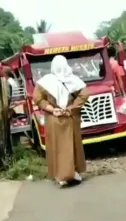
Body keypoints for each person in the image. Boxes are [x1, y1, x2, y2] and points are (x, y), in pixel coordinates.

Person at [33, 55, 89, 187]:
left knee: (57, 147)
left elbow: (37, 98)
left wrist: (53, 110)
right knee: (72, 145)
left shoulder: (45, 82)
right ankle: (74, 172)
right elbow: (84, 94)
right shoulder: (74, 80)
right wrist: (71, 108)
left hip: (54, 118)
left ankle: (60, 176)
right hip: (70, 117)